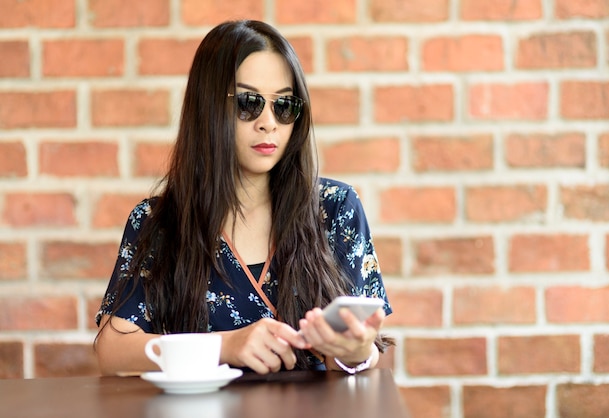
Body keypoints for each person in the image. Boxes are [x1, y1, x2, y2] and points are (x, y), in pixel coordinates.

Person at [94, 19, 393, 376]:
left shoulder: (335, 207)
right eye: (248, 103)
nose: (268, 122)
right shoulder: (159, 221)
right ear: (208, 109)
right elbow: (111, 351)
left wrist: (357, 352)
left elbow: (359, 359)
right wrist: (226, 346)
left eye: (284, 105)